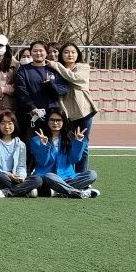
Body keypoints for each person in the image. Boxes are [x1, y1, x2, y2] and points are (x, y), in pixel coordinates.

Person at [31, 109, 99, 199]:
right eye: (52, 120)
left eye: (58, 120)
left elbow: (74, 160)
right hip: (48, 178)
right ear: (47, 121)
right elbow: (43, 162)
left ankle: (58, 191)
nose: (55, 123)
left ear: (63, 122)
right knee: (49, 176)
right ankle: (77, 192)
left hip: (67, 178)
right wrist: (44, 144)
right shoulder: (36, 140)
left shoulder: (69, 138)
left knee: (92, 174)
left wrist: (78, 141)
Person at [50, 42, 97, 171]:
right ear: (61, 54)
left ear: (78, 54)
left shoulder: (83, 67)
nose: (70, 55)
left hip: (84, 111)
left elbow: (76, 79)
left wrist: (57, 66)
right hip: (66, 113)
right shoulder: (54, 68)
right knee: (67, 144)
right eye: (66, 52)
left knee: (83, 145)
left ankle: (81, 175)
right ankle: (67, 174)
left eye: (73, 52)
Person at [13, 41, 68, 134]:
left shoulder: (54, 69)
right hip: (30, 116)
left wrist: (51, 85)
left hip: (52, 116)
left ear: (46, 53)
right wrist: (32, 107)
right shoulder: (23, 70)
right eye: (35, 51)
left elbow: (63, 90)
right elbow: (20, 90)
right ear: (31, 53)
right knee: (31, 141)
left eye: (41, 51)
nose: (38, 53)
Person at [0, 111, 41, 198]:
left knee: (38, 179)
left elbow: (21, 166)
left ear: (15, 125)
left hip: (15, 177)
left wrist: (21, 177)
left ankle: (5, 192)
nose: (6, 126)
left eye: (10, 123)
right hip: (2, 176)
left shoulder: (20, 144)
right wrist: (8, 174)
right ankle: (25, 190)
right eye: (3, 123)